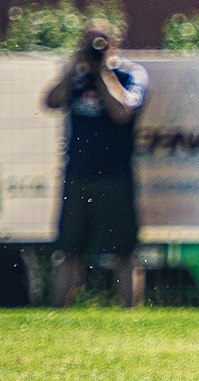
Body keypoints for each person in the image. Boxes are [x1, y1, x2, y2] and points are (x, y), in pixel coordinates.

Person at [42, 18, 150, 308]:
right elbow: (50, 102)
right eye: (89, 42)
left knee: (124, 252)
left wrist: (103, 72)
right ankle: (59, 311)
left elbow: (123, 112)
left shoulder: (129, 74)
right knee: (69, 250)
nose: (94, 49)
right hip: (78, 174)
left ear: (114, 43)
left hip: (114, 176)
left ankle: (130, 313)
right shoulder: (76, 77)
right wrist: (73, 68)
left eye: (100, 42)